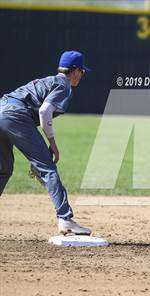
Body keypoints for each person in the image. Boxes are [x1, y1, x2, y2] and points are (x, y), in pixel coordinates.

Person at [0, 50, 91, 235]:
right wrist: (53, 145)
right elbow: (44, 111)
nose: (82, 76)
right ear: (75, 71)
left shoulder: (47, 80)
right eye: (82, 72)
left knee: (3, 169)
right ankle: (65, 219)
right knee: (48, 169)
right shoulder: (63, 85)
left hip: (2, 109)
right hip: (15, 115)